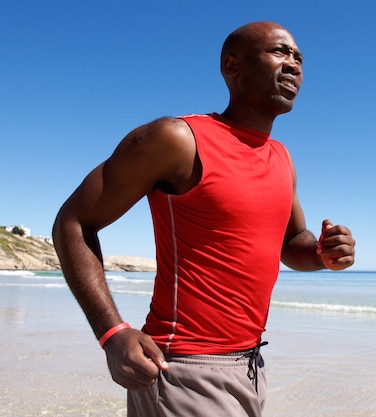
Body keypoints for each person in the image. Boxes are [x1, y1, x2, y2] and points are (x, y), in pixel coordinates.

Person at [52, 21, 355, 417]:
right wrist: (111, 333)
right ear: (232, 66)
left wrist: (322, 252)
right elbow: (73, 223)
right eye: (279, 52)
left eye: (299, 58)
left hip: (251, 366)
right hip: (182, 369)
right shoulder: (177, 139)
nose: (294, 65)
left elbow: (291, 242)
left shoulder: (282, 158)